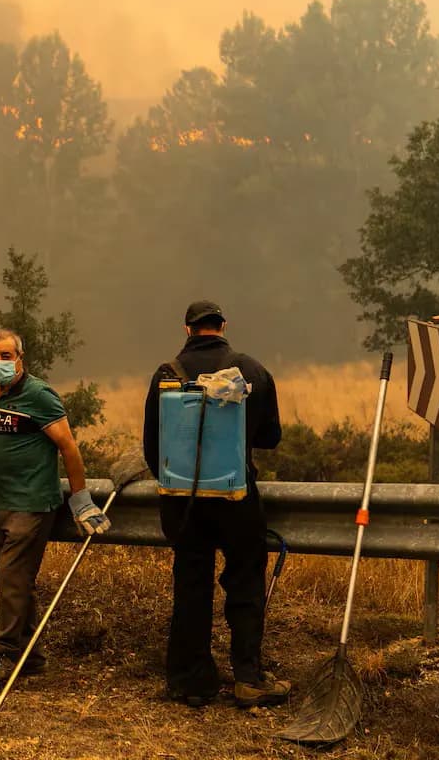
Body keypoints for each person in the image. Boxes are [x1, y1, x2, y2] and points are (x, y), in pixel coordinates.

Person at [142, 300, 289, 708]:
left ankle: (190, 681)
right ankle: (248, 677)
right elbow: (270, 437)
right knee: (244, 582)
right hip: (236, 499)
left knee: (191, 585)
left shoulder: (165, 375)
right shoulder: (252, 370)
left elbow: (152, 448)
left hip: (183, 502)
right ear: (223, 325)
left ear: (188, 329)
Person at [0, 328, 111, 689]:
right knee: (17, 582)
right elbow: (13, 437)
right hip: (2, 500)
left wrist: (80, 500)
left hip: (30, 504)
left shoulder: (39, 395)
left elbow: (69, 447)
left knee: (11, 580)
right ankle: (30, 657)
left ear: (20, 359)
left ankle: (3, 655)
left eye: (5, 356)